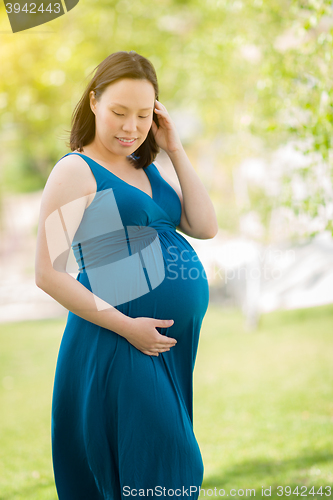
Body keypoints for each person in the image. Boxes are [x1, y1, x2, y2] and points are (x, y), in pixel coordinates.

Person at [35, 50, 218, 500]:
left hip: (160, 348)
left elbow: (205, 225)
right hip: (117, 342)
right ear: (94, 102)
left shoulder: (144, 167)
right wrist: (128, 328)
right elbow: (47, 274)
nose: (130, 127)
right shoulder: (75, 170)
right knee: (168, 471)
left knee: (158, 473)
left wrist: (174, 147)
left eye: (142, 115)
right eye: (119, 112)